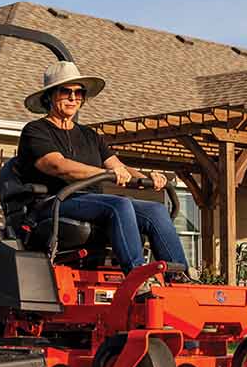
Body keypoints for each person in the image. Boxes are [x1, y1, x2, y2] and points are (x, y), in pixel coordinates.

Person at [15, 61, 189, 277]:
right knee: (120, 204)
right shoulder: (36, 130)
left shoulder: (90, 136)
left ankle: (180, 278)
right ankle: (137, 277)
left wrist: (148, 179)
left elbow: (118, 166)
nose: (73, 98)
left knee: (156, 210)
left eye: (79, 93)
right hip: (54, 202)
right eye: (66, 91)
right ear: (49, 95)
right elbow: (57, 165)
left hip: (91, 202)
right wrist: (103, 174)